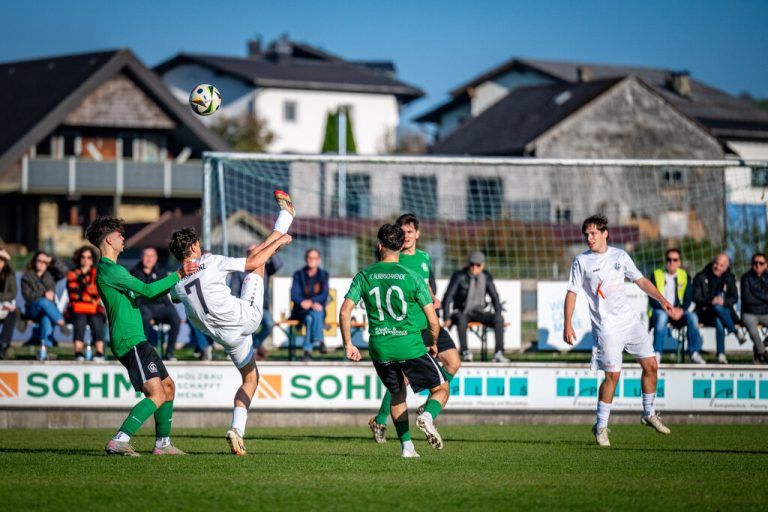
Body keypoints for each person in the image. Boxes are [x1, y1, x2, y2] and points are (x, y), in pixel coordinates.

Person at [170, 190, 294, 456]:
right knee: (256, 263)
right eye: (198, 243)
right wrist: (279, 242)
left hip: (227, 338)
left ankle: (237, 430)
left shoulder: (176, 284)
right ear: (192, 248)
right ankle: (285, 220)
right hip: (246, 317)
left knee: (251, 378)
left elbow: (177, 297)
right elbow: (256, 261)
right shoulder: (210, 262)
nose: (201, 245)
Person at [85, 216, 198, 456]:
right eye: (119, 235)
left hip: (137, 338)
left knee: (168, 387)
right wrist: (178, 274)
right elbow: (147, 290)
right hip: (129, 340)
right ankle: (120, 440)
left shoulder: (115, 270)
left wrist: (173, 287)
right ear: (109, 239)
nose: (123, 238)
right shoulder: (109, 270)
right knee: (156, 394)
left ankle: (163, 444)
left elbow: (143, 294)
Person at [340, 223, 449, 458]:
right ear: (401, 246)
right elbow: (433, 321)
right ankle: (427, 416)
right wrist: (432, 341)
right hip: (409, 345)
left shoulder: (364, 275)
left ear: (379, 246)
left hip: (380, 348)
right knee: (441, 388)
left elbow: (344, 311)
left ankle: (407, 447)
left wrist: (349, 344)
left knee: (397, 393)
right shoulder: (413, 276)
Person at [563, 214, 672, 447]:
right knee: (612, 376)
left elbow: (641, 280)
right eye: (586, 234)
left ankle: (649, 413)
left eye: (593, 233)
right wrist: (567, 323)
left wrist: (661, 298)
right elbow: (572, 292)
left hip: (629, 322)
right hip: (607, 327)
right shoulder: (581, 261)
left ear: (605, 233)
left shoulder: (620, 256)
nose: (589, 238)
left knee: (651, 365)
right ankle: (601, 427)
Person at [368, 213, 461, 444]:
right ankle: (380, 419)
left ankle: (427, 408)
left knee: (453, 362)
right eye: (403, 232)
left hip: (429, 322)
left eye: (410, 231)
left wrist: (432, 297)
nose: (407, 236)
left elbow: (424, 285)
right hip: (409, 326)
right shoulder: (395, 259)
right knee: (403, 381)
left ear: (417, 234)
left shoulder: (424, 258)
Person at [442, 251, 507, 363]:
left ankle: (498, 353)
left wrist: (499, 313)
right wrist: (447, 317)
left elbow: (495, 297)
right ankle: (465, 352)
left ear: (483, 265)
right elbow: (447, 297)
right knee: (461, 319)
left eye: (478, 265)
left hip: (479, 311)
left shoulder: (486, 277)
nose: (474, 267)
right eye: (472, 264)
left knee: (498, 319)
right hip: (462, 311)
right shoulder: (459, 276)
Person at [648, 249, 704, 364]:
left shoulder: (685, 276)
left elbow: (688, 298)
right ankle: (657, 354)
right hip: (660, 310)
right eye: (669, 259)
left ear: (679, 262)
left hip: (678, 312)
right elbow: (652, 298)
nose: (671, 262)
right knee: (662, 317)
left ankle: (694, 353)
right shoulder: (656, 274)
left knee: (693, 317)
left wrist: (681, 310)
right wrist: (666, 309)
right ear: (665, 261)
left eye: (675, 260)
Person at [692, 253, 746, 364]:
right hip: (704, 312)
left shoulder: (730, 278)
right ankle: (735, 332)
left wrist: (724, 302)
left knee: (718, 317)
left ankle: (721, 354)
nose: (717, 267)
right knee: (716, 307)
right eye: (716, 263)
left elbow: (734, 298)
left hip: (723, 313)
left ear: (726, 267)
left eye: (721, 265)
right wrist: (711, 301)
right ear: (713, 262)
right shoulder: (701, 276)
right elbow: (696, 297)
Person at [229, 252, 283, 360]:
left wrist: (272, 249)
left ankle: (254, 346)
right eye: (253, 252)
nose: (257, 254)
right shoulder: (239, 272)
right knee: (248, 328)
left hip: (262, 307)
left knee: (269, 324)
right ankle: (251, 351)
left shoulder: (265, 268)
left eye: (259, 252)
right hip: (244, 308)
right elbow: (233, 292)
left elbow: (278, 264)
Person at [131, 247, 182, 360]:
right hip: (143, 305)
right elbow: (136, 296)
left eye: (151, 256)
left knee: (175, 319)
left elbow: (165, 293)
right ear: (141, 257)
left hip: (160, 305)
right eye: (146, 255)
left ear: (156, 258)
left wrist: (172, 310)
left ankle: (169, 353)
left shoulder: (161, 271)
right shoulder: (134, 272)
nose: (148, 259)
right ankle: (143, 353)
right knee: (144, 317)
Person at [21, 250, 70, 353]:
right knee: (43, 302)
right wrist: (43, 294)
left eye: (45, 261)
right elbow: (27, 297)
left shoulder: (51, 275)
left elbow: (65, 271)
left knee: (46, 317)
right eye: (39, 260)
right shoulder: (26, 276)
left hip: (48, 311)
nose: (42, 263)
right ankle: (61, 322)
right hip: (32, 310)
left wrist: (51, 260)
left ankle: (45, 348)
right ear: (34, 261)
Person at [66, 246, 106, 361]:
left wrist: (86, 294)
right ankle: (78, 351)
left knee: (96, 318)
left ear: (93, 260)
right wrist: (90, 295)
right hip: (77, 308)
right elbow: (74, 294)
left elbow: (97, 292)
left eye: (89, 257)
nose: (86, 260)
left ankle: (99, 351)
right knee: (80, 319)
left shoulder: (97, 274)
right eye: (83, 257)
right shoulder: (72, 274)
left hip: (93, 309)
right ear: (79, 259)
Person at [290, 248, 329, 361]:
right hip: (300, 310)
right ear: (306, 259)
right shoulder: (298, 274)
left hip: (315, 310)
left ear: (319, 260)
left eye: (314, 258)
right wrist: (303, 302)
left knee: (310, 318)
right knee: (314, 313)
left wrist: (311, 302)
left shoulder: (323, 275)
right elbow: (294, 294)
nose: (312, 260)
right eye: (309, 257)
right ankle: (320, 340)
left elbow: (324, 294)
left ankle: (307, 352)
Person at [740, 252, 768, 364]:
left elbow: (752, 297)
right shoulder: (745, 278)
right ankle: (763, 353)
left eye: (761, 263)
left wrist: (755, 293)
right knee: (753, 331)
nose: (758, 265)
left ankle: (758, 347)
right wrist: (764, 298)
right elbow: (747, 299)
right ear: (751, 264)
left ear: (766, 265)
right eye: (755, 263)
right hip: (749, 313)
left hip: (765, 312)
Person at [0, 248, 18, 359]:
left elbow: (13, 292)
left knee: (13, 313)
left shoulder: (9, 274)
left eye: (2, 259)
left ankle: (3, 344)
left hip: (4, 304)